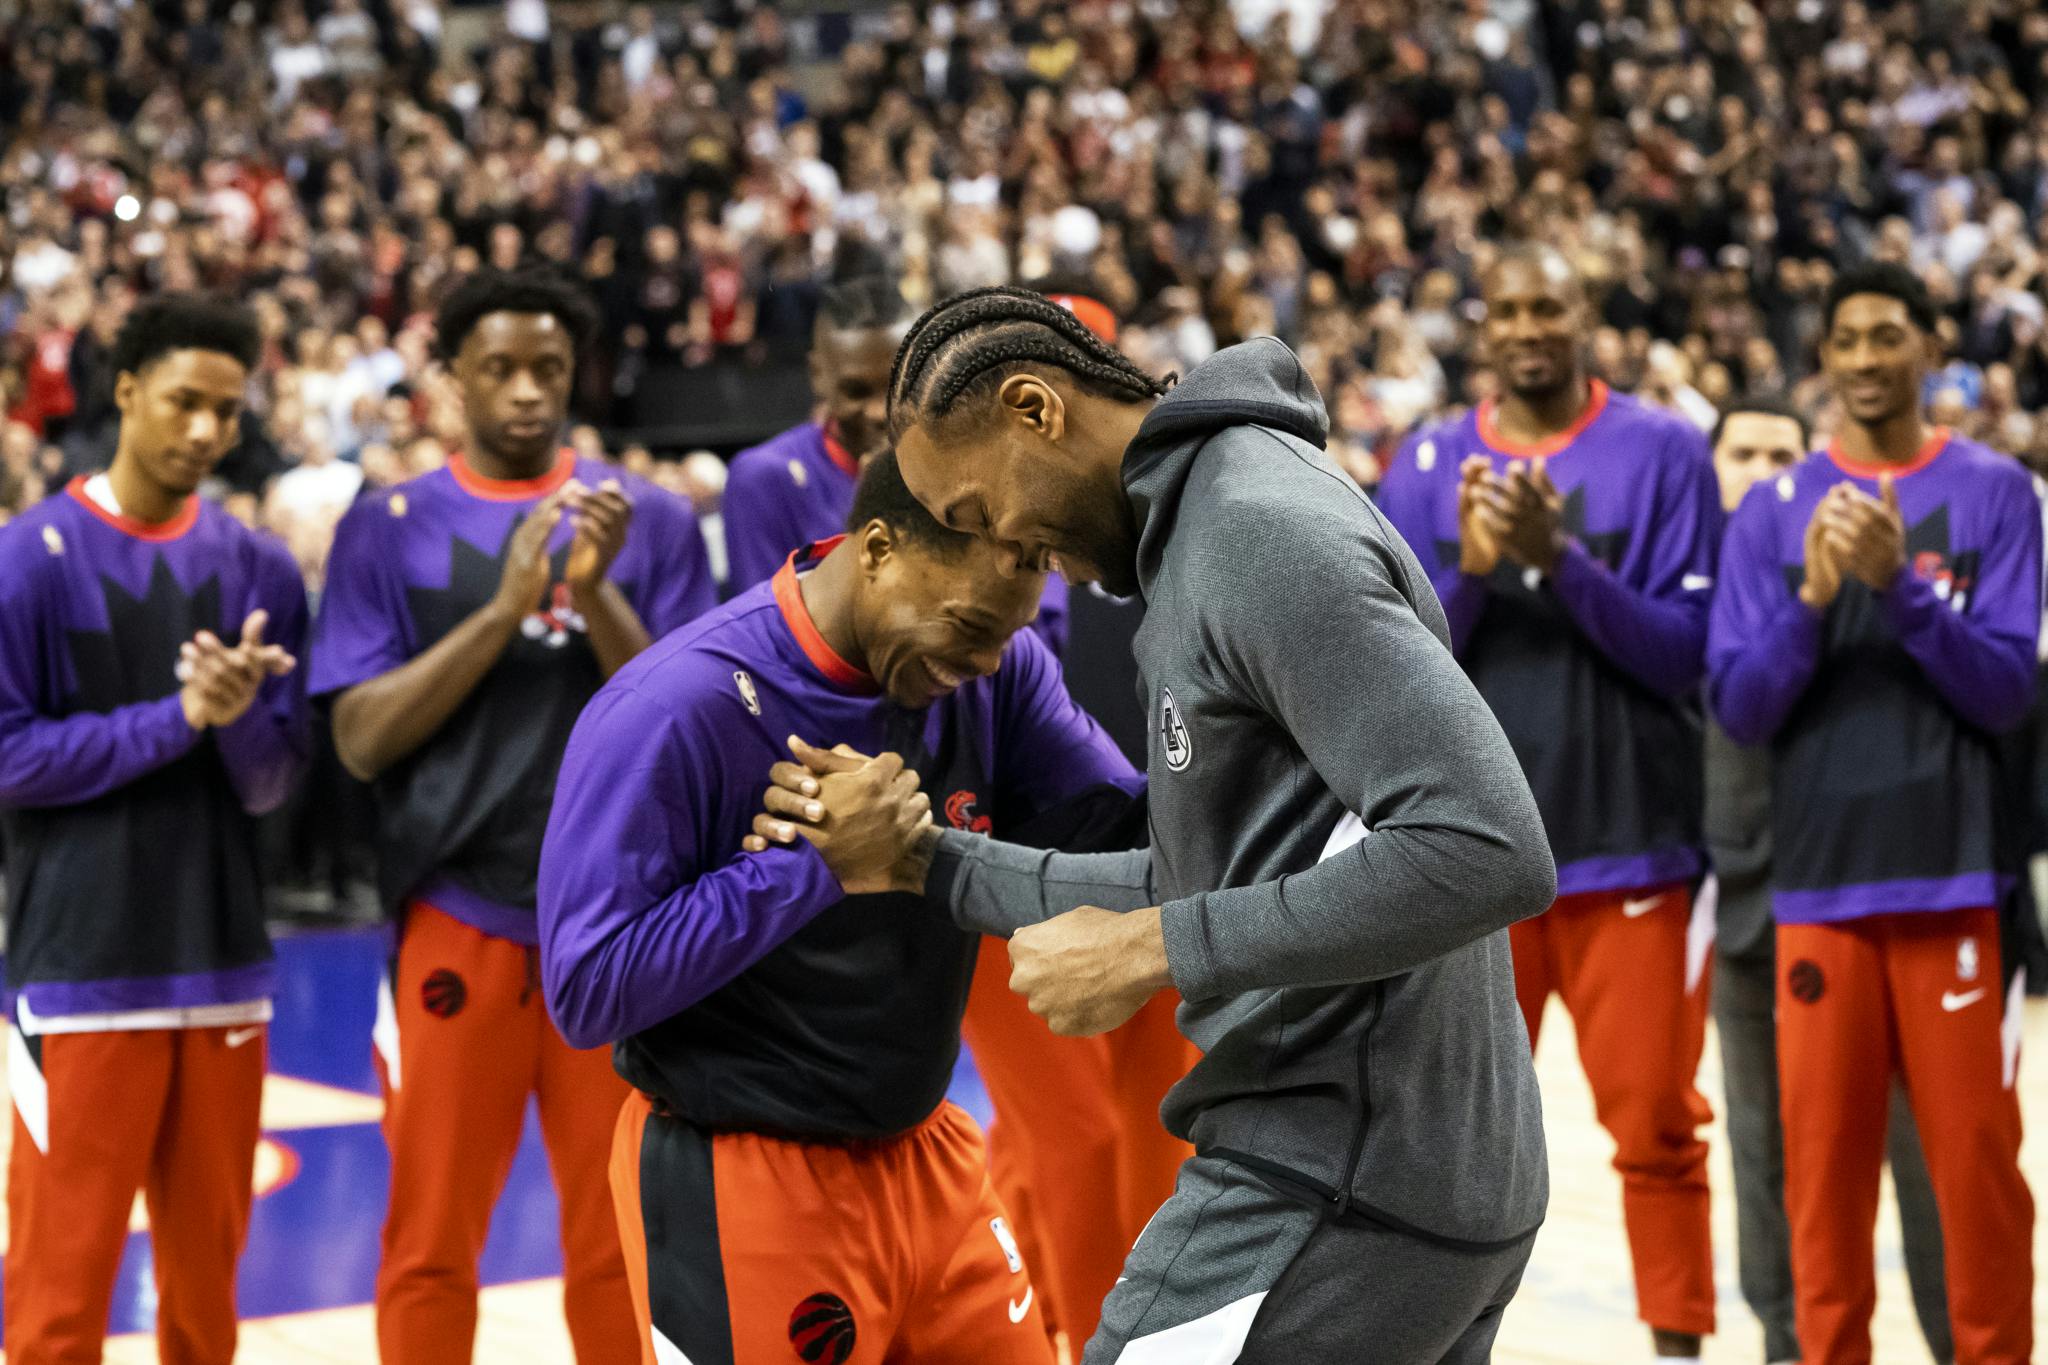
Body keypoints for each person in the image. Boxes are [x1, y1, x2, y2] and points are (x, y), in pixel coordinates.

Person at [756, 286, 1555, 1361]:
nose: (1001, 548)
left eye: (978, 506)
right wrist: (927, 863)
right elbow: (1211, 875)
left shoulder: (1254, 533)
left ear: (1035, 409)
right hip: (1413, 1177)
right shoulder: (1209, 529)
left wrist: (1151, 949)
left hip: (1331, 1185)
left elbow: (1487, 847)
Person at [536, 451, 1145, 1365]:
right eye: (970, 625)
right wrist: (812, 866)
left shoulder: (997, 672)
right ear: (876, 549)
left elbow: (1126, 829)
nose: (984, 659)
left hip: (928, 1150)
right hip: (741, 1169)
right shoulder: (673, 705)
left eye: (1008, 634)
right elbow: (587, 988)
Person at [307, 268, 716, 1365]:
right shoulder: (385, 527)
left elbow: (691, 723)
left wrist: (592, 592)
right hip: (457, 915)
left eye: (548, 369)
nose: (528, 392)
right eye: (499, 369)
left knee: (616, 1239)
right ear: (451, 380)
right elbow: (357, 739)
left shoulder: (654, 520)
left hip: (619, 925)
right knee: (432, 1237)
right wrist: (501, 610)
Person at [1377, 244, 1723, 1362]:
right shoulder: (1424, 462)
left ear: (1586, 317)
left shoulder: (1663, 450)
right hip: (1466, 863)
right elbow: (1386, 672)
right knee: (1447, 1145)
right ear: (1483, 326)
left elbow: (1683, 659)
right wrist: (1473, 574)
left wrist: (1558, 562)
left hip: (1633, 849)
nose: (1528, 327)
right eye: (1508, 309)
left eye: (1549, 306)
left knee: (1659, 1130)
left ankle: (1675, 1346)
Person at [1710, 261, 2037, 1364]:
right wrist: (1810, 601)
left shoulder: (1995, 492)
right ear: (1823, 356)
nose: (1860, 357)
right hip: (1817, 894)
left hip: (1953, 884)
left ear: (1925, 346)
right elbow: (1741, 711)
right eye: (1843, 337)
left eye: (1884, 335)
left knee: (1978, 1189)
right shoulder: (1769, 512)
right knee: (1820, 1194)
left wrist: (1899, 586)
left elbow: (2003, 693)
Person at [0, 293, 309, 1365]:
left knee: (204, 1310)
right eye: (184, 401)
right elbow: (11, 762)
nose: (204, 432)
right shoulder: (29, 556)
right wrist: (179, 719)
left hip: (224, 969)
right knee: (56, 1305)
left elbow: (273, 786)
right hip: (80, 977)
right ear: (125, 392)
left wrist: (228, 728)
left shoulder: (260, 566)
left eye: (226, 411)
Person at [1704, 395, 1954, 1365]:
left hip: (1866, 904)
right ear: (1711, 464)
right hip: (1740, 922)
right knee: (1765, 1168)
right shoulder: (1690, 593)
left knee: (1918, 1159)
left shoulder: (1846, 580)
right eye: (1740, 450)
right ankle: (1784, 1349)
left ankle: (1952, 1343)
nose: (1757, 466)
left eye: (1777, 451)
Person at [721, 275, 1072, 653]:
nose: (877, 412)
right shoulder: (762, 480)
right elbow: (766, 643)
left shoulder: (988, 468)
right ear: (818, 376)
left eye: (895, 388)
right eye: (856, 391)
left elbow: (1039, 637)